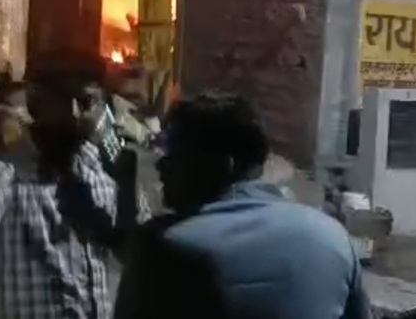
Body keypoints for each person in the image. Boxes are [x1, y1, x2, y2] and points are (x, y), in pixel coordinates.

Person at [114, 92, 373, 319]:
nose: (161, 164)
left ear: (224, 165)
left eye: (176, 153)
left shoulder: (161, 246)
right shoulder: (331, 236)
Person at [0, 49, 150, 319]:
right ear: (34, 102)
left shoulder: (110, 175)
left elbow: (142, 261)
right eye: (61, 100)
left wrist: (124, 197)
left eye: (87, 102)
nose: (75, 113)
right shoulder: (1, 174)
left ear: (104, 105)